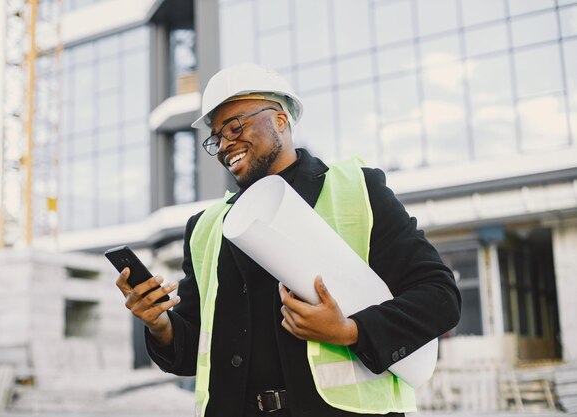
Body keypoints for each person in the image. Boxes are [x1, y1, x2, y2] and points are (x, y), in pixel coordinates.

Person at [116, 63, 461, 417]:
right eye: (215, 137)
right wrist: (159, 323)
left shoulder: (357, 189)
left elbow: (439, 296)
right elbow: (191, 353)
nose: (224, 144)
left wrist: (350, 330)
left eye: (235, 126)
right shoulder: (205, 228)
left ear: (280, 119)